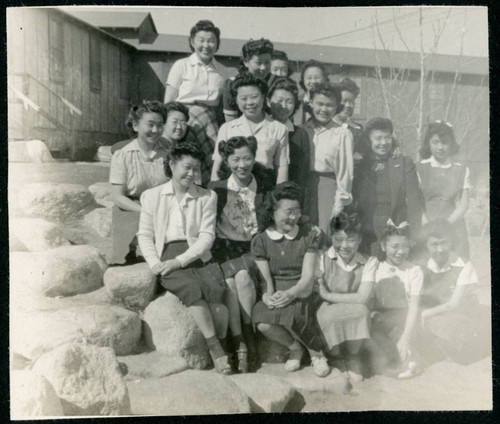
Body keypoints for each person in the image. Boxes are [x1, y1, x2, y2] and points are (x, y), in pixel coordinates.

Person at [137, 142, 233, 375]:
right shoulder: (152, 196)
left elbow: (207, 236)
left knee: (215, 289)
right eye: (186, 167)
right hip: (166, 252)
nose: (191, 174)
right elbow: (145, 235)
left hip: (197, 253)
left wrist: (180, 261)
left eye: (196, 169)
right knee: (191, 288)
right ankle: (215, 347)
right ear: (171, 164)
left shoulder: (206, 196)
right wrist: (155, 264)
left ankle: (229, 343)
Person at [209, 136, 275, 373]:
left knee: (244, 277)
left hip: (252, 249)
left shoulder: (265, 188)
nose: (242, 165)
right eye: (235, 159)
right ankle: (240, 343)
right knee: (230, 281)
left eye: (247, 158)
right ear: (226, 160)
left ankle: (246, 338)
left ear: (254, 157)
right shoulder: (216, 189)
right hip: (224, 250)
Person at [252, 182, 330, 377]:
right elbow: (266, 280)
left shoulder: (308, 236)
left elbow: (307, 277)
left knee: (295, 313)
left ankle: (316, 353)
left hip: (301, 289)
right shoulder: (260, 240)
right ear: (273, 212)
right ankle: (295, 348)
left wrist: (290, 294)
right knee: (261, 319)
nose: (294, 217)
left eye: (297, 211)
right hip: (278, 290)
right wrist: (267, 296)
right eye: (288, 212)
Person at [418, 219, 490, 365]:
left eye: (444, 243)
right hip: (436, 310)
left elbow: (454, 304)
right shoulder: (423, 265)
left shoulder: (462, 265)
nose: (440, 249)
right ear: (426, 245)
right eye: (434, 245)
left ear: (451, 241)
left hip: (460, 311)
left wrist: (425, 314)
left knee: (463, 348)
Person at [164, 20, 228, 178]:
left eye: (211, 41)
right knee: (185, 160)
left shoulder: (222, 71)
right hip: (184, 118)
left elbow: (222, 104)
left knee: (213, 159)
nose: (206, 45)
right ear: (192, 42)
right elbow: (169, 101)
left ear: (217, 44)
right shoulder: (182, 65)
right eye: (201, 40)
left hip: (210, 121)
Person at [109, 101, 170, 264]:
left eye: (160, 125)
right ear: (136, 125)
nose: (156, 131)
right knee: (126, 259)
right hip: (131, 208)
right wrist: (146, 211)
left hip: (164, 205)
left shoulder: (170, 152)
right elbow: (118, 197)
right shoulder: (123, 155)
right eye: (150, 125)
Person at [353, 117, 424, 256]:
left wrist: (413, 233)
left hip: (396, 231)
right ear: (369, 140)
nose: (384, 143)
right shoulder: (361, 166)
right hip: (368, 231)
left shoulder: (404, 164)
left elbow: (414, 202)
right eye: (378, 138)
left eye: (387, 138)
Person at [316, 212, 373, 382]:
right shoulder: (322, 257)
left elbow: (362, 297)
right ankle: (335, 356)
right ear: (331, 237)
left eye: (351, 240)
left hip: (350, 305)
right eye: (339, 239)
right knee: (329, 316)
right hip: (327, 308)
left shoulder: (368, 262)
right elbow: (318, 293)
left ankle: (353, 357)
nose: (345, 246)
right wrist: (326, 297)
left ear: (360, 239)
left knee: (362, 311)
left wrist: (328, 295)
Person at [363, 220, 422, 379]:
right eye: (395, 247)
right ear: (383, 246)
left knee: (402, 340)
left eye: (405, 246)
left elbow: (414, 306)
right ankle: (398, 361)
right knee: (375, 334)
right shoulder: (375, 267)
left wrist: (405, 337)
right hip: (381, 317)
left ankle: (407, 358)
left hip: (405, 317)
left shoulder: (414, 270)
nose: (400, 252)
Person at [211, 73, 289, 185]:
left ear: (263, 97)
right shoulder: (227, 128)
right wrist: (216, 190)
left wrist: (280, 195)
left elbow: (281, 166)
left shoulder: (279, 129)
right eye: (243, 98)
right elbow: (218, 164)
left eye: (254, 97)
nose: (250, 103)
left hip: (264, 186)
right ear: (236, 101)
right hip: (233, 187)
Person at [302, 82, 354, 234]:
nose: (324, 109)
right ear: (311, 103)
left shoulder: (342, 134)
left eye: (330, 105)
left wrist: (340, 202)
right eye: (319, 104)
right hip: (304, 187)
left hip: (328, 188)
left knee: (324, 234)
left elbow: (345, 171)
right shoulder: (303, 130)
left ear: (337, 106)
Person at [417, 121, 471, 259]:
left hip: (453, 223)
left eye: (445, 142)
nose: (440, 147)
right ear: (428, 143)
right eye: (435, 142)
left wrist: (448, 223)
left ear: (451, 144)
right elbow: (416, 202)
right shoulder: (419, 168)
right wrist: (426, 224)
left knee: (456, 263)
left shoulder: (461, 169)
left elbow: (464, 204)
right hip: (427, 222)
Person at [266, 76, 309, 196]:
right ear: (268, 101)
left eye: (289, 102)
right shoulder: (261, 129)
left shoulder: (300, 134)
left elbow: (302, 175)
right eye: (279, 100)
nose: (283, 106)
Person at [222, 38, 274, 122]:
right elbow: (231, 122)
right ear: (246, 62)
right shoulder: (232, 85)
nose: (263, 67)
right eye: (258, 63)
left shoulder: (275, 83)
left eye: (267, 62)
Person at [332, 78, 370, 168]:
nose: (348, 105)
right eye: (344, 101)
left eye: (351, 102)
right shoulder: (325, 126)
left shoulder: (357, 130)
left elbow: (361, 157)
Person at [293, 60, 329, 127]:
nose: (313, 81)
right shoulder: (295, 101)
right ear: (303, 80)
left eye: (317, 78)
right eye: (309, 78)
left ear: (325, 79)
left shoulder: (330, 101)